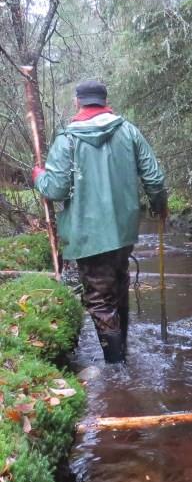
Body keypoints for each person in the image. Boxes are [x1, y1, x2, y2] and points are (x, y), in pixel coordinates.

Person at [33, 79, 167, 363]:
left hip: (88, 235)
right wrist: (160, 206)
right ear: (105, 101)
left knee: (99, 297)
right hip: (124, 231)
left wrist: (38, 177)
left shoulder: (66, 139)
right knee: (118, 287)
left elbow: (55, 189)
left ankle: (116, 367)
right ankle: (123, 355)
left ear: (77, 102)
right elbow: (154, 178)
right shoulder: (128, 131)